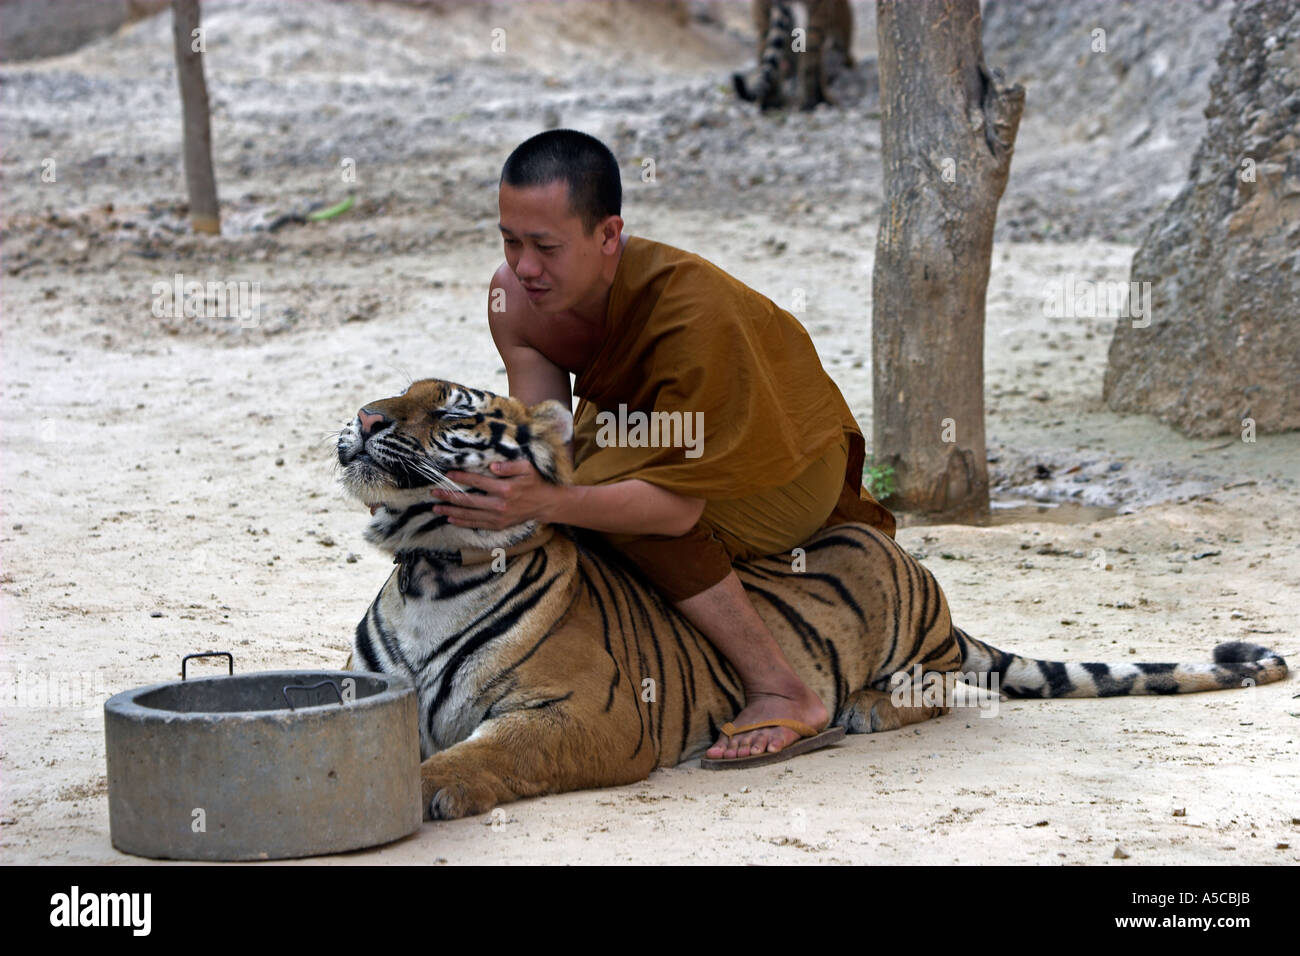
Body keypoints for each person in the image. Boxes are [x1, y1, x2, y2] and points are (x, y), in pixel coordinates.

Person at [428, 128, 896, 765]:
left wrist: (550, 498)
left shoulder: (690, 313)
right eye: (510, 241)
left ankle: (781, 689)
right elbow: (550, 441)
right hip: (642, 429)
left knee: (614, 515)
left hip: (782, 467)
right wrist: (459, 484)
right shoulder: (512, 297)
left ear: (609, 236)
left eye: (545, 246)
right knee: (564, 496)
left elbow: (671, 512)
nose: (524, 267)